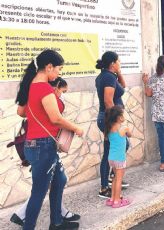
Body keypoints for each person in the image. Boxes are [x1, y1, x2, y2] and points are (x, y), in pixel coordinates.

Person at [15, 49, 83, 230]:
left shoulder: (30, 85)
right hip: (43, 146)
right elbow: (56, 118)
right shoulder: (44, 87)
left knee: (59, 180)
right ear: (49, 67)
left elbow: (21, 112)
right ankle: (28, 227)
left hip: (36, 144)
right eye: (58, 69)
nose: (59, 73)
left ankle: (57, 222)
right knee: (38, 192)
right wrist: (76, 128)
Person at [95, 51, 129, 199]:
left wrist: (119, 73)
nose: (119, 63)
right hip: (109, 119)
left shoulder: (109, 76)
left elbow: (123, 86)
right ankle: (104, 188)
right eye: (118, 61)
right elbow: (108, 101)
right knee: (109, 152)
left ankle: (112, 177)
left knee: (122, 146)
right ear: (112, 63)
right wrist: (113, 124)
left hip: (110, 118)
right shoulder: (107, 77)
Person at [104, 105, 132, 208]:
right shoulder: (123, 128)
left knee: (115, 178)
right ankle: (117, 201)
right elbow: (130, 135)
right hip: (120, 159)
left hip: (111, 158)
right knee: (119, 179)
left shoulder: (109, 128)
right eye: (122, 114)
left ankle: (112, 199)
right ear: (119, 117)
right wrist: (127, 130)